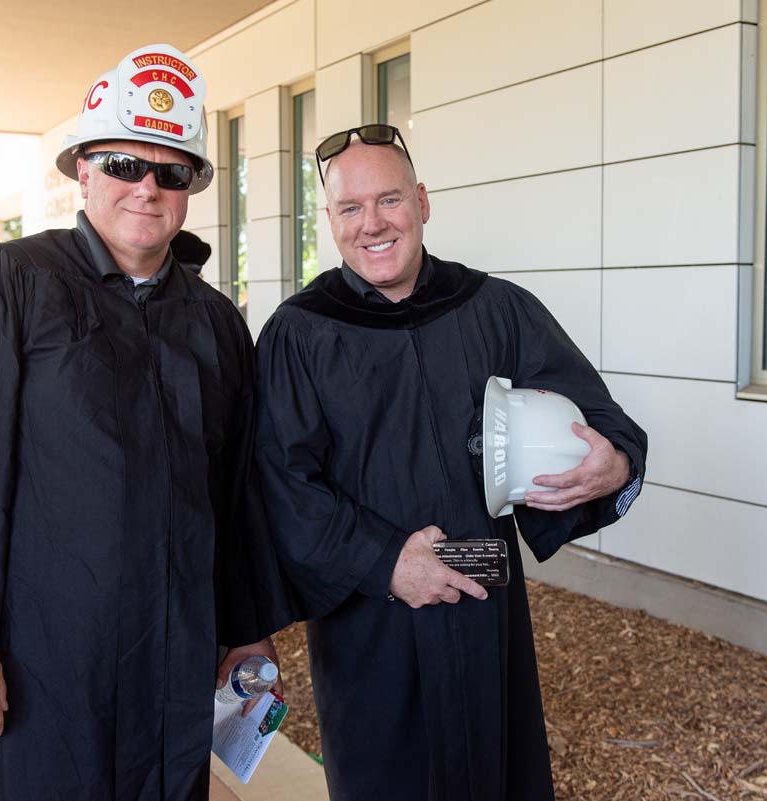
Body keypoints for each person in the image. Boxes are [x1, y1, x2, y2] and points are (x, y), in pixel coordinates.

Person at [0, 43, 293, 801]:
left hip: (169, 651)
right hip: (33, 656)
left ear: (190, 189)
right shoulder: (5, 281)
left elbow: (238, 488)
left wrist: (246, 626)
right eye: (122, 164)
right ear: (83, 170)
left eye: (171, 171)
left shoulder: (212, 319)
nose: (146, 187)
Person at [254, 125, 648, 801]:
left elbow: (606, 426)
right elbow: (282, 485)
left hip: (483, 613)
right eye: (351, 208)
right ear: (330, 221)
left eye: (390, 200)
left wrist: (614, 466)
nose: (372, 223)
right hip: (372, 625)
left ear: (423, 202)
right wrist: (386, 562)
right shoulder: (300, 333)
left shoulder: (496, 310)